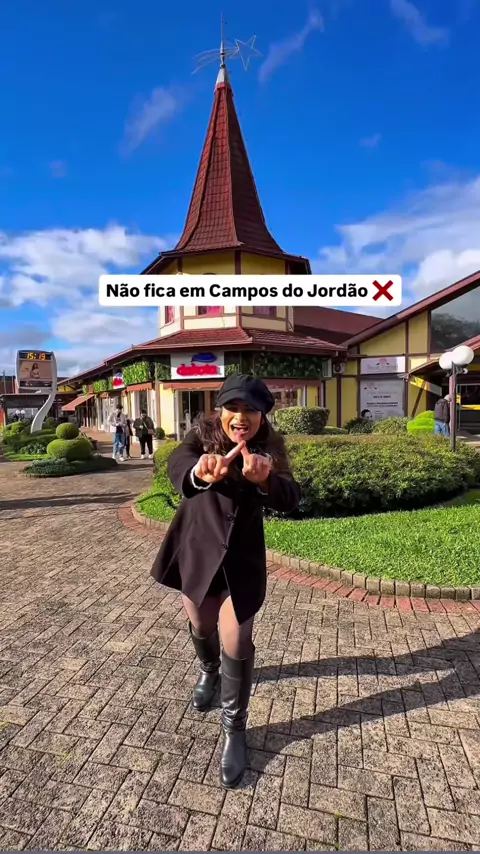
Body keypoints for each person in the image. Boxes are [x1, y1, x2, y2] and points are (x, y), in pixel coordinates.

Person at [151, 374, 301, 789]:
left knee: (236, 637)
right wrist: (199, 471)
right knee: (201, 623)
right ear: (220, 411)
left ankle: (234, 728)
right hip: (198, 550)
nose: (241, 416)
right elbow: (178, 465)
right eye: (233, 407)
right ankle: (209, 671)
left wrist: (265, 481)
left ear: (262, 415)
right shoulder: (201, 437)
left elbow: (292, 496)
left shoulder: (270, 449)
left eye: (251, 409)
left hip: (241, 559)